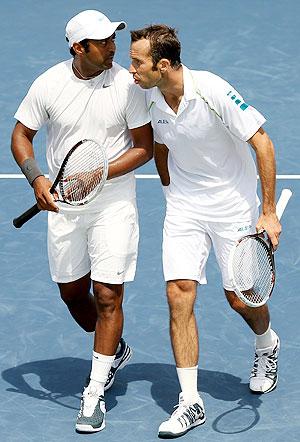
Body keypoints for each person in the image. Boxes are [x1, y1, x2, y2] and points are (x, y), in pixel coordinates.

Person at [129, 25, 281, 438]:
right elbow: (160, 143)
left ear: (163, 65)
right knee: (179, 293)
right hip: (184, 209)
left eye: (137, 61)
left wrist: (267, 212)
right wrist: (170, 188)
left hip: (232, 207)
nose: (131, 69)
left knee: (239, 299)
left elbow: (262, 143)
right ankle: (190, 401)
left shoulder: (212, 90)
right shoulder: (148, 95)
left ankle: (266, 343)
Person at [11, 10, 153, 433]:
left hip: (113, 203)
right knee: (73, 294)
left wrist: (99, 173)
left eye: (114, 38)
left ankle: (94, 391)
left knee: (108, 296)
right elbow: (21, 135)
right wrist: (36, 177)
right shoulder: (49, 84)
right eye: (105, 41)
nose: (114, 46)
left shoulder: (127, 85)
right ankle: (112, 349)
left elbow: (143, 148)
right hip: (64, 206)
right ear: (79, 48)